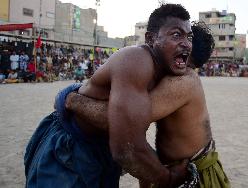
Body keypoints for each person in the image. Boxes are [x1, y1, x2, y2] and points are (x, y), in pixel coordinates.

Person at [24, 4, 194, 188]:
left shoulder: (166, 73)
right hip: (69, 145)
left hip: (102, 150)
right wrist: (168, 178)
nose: (186, 43)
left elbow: (134, 135)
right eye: (176, 35)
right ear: (151, 38)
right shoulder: (136, 60)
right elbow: (127, 149)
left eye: (189, 36)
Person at [65, 21, 230, 188]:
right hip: (176, 168)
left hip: (191, 175)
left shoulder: (181, 81)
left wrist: (73, 100)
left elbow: (123, 121)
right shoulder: (171, 74)